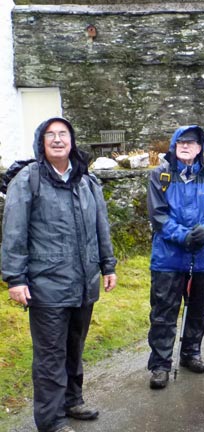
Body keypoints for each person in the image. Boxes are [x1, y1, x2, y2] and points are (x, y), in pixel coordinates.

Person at [1, 117, 117, 432]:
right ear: (41, 142)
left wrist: (108, 265)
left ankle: (72, 401)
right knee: (50, 355)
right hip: (46, 285)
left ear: (72, 140)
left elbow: (101, 226)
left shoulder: (86, 180)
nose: (57, 139)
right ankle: (50, 420)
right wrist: (15, 278)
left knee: (74, 346)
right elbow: (14, 231)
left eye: (62, 134)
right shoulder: (28, 180)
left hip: (83, 282)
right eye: (50, 135)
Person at [146, 125, 204, 389]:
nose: (186, 146)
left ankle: (191, 352)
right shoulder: (160, 175)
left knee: (198, 309)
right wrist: (182, 236)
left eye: (191, 142)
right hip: (168, 257)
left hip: (201, 257)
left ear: (200, 147)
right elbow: (158, 216)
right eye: (181, 142)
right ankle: (160, 364)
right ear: (173, 145)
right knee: (163, 312)